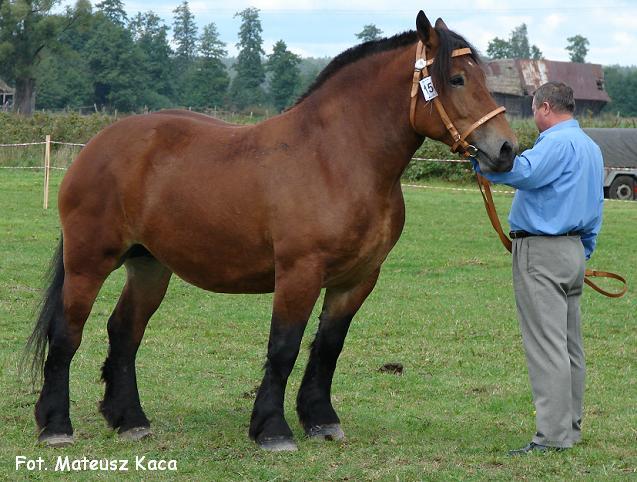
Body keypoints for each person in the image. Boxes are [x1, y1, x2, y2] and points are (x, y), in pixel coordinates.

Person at [474, 81, 604, 454]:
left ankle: (550, 437)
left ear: (545, 107)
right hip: (574, 250)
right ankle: (570, 428)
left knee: (546, 348)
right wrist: (583, 251)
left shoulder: (556, 143)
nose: (533, 116)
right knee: (569, 346)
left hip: (542, 252)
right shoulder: (591, 148)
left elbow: (524, 172)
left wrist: (481, 163)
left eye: (533, 109)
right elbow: (596, 205)